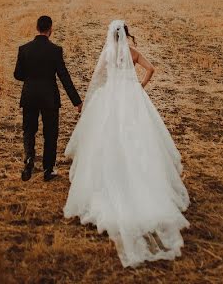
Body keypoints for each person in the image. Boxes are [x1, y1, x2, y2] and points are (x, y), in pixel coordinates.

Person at [63, 20, 190, 267]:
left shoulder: (109, 54)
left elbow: (97, 78)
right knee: (140, 138)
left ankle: (110, 174)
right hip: (132, 98)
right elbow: (151, 69)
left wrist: (92, 101)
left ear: (111, 35)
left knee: (106, 137)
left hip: (111, 97)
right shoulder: (133, 54)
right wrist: (139, 86)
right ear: (126, 34)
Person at [13, 15, 82, 182]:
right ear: (50, 29)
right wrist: (77, 101)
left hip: (29, 96)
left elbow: (18, 74)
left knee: (29, 130)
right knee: (50, 134)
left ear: (37, 28)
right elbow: (64, 77)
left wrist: (32, 78)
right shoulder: (55, 50)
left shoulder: (24, 49)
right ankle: (48, 169)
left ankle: (29, 161)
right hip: (49, 98)